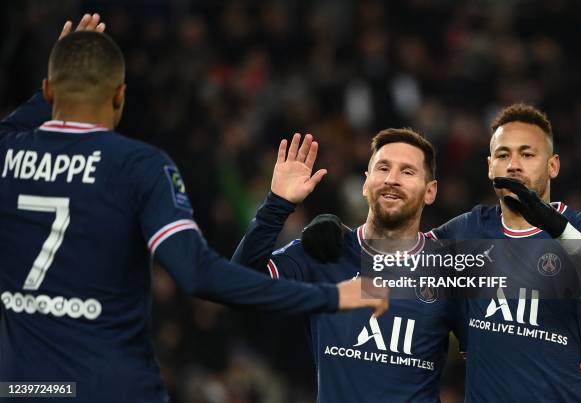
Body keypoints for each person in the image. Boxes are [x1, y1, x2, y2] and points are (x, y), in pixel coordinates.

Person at [0, 14, 387, 403]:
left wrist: (64, 72)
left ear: (49, 91)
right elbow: (200, 274)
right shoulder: (139, 166)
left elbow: (17, 125)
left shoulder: (7, 152)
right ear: (119, 95)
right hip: (112, 387)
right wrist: (331, 295)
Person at [301, 104, 581, 401]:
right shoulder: (468, 231)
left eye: (527, 154)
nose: (514, 164)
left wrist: (556, 228)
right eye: (503, 155)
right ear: (490, 167)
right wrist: (337, 233)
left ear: (553, 165)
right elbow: (401, 251)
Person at [233, 128, 466, 402]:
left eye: (407, 171)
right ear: (366, 184)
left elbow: (496, 355)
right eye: (383, 167)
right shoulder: (324, 251)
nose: (392, 179)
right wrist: (277, 205)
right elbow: (239, 284)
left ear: (430, 191)